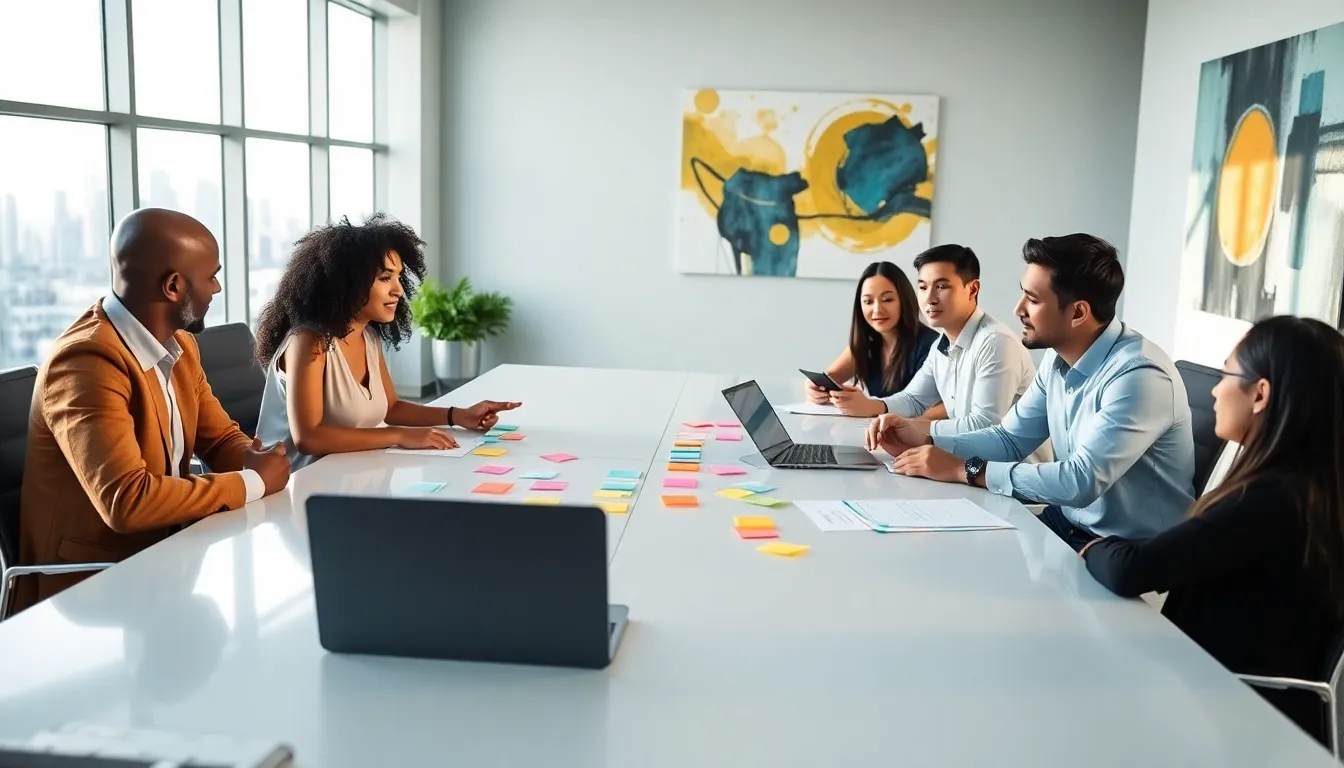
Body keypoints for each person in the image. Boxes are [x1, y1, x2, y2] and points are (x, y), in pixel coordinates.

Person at [15, 208, 291, 613]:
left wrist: (254, 457)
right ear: (174, 286)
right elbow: (126, 501)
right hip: (89, 589)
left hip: (164, 561)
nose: (216, 287)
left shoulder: (179, 346)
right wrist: (253, 483)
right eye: (211, 275)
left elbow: (219, 438)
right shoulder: (86, 361)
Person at [1083, 316, 1344, 746]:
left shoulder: (1270, 500)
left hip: (1228, 712)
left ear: (1260, 394)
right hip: (1232, 698)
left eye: (1226, 374)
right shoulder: (1308, 490)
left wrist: (1094, 547)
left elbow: (1133, 569)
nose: (1215, 390)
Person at [868, 234, 1194, 548]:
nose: (1017, 309)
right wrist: (924, 438)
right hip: (1068, 523)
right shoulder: (1058, 357)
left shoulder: (1139, 375)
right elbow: (1009, 439)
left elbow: (1080, 482)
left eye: (1033, 299)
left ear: (1078, 312)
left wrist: (961, 469)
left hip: (1128, 553)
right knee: (947, 549)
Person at [252, 215, 520, 470]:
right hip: (294, 489)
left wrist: (458, 415)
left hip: (346, 475)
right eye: (384, 278)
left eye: (397, 277)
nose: (399, 289)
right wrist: (401, 436)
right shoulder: (309, 341)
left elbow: (391, 408)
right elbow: (308, 438)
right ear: (347, 283)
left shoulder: (367, 335)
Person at [871, 245, 1043, 460]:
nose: (930, 298)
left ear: (972, 290)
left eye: (941, 287)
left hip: (1014, 475)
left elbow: (984, 424)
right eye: (923, 287)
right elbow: (914, 399)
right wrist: (874, 409)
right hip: (967, 465)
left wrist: (912, 429)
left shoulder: (996, 342)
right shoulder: (942, 344)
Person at [804, 261, 938, 417]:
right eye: (868, 302)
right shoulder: (867, 343)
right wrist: (814, 388)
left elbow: (945, 410)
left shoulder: (931, 346)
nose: (877, 310)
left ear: (904, 300)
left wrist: (871, 407)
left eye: (887, 300)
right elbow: (829, 378)